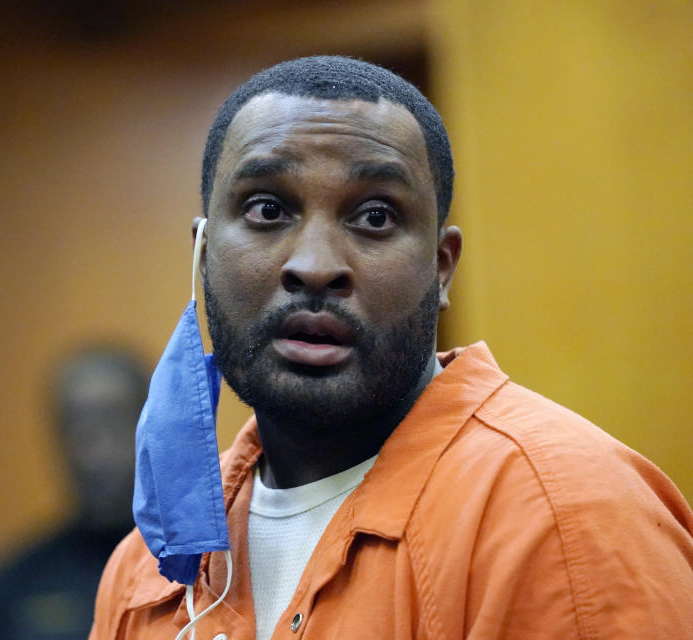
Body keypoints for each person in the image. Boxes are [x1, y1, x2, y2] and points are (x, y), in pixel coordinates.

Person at [89, 56, 693, 639]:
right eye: (267, 209)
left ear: (441, 267)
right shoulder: (147, 563)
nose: (315, 266)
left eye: (375, 217)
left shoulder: (564, 519)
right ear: (203, 252)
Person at [0, 346, 148, 640]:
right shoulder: (14, 586)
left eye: (113, 421)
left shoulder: (206, 569)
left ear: (152, 425)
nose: (94, 452)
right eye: (76, 426)